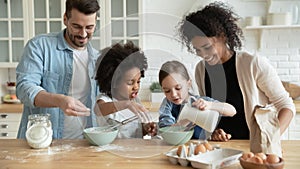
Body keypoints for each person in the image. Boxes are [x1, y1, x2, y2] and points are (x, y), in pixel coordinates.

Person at [177, 2, 295, 141]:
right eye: (198, 50)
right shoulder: (200, 69)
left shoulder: (252, 64)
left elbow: (286, 106)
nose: (203, 55)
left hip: (254, 147)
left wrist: (270, 139)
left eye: (207, 47)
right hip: (221, 148)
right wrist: (214, 133)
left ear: (223, 37)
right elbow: (212, 112)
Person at [16, 0, 100, 139]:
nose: (83, 34)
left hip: (84, 143)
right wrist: (59, 101)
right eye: (76, 26)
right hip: (42, 142)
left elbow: (104, 101)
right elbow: (24, 88)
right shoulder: (39, 46)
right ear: (65, 19)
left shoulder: (97, 59)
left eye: (89, 27)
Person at [158, 60, 236, 139]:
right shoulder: (167, 104)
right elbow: (165, 131)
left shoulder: (199, 101)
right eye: (167, 91)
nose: (173, 94)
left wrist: (209, 105)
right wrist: (185, 121)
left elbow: (232, 111)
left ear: (188, 84)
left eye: (178, 88)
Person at [94, 41, 157, 138]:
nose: (136, 87)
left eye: (138, 82)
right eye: (130, 83)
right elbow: (98, 110)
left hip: (134, 151)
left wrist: (146, 129)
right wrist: (126, 104)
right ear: (114, 82)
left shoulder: (135, 101)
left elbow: (136, 131)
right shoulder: (106, 100)